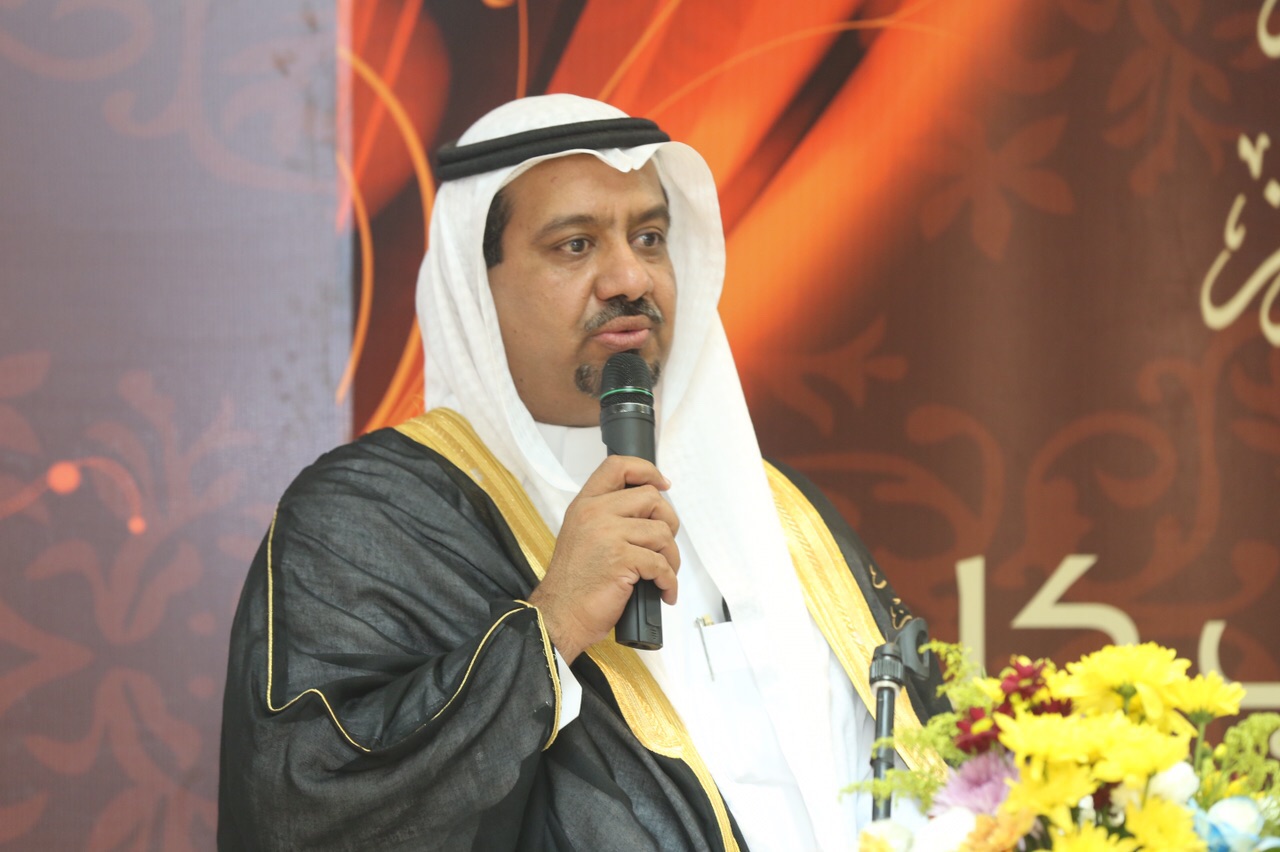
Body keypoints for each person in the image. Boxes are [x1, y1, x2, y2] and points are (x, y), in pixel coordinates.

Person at [218, 94, 944, 851]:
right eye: (575, 245)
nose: (629, 277)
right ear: (477, 286)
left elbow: (931, 763)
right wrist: (552, 624)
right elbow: (303, 807)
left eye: (650, 237)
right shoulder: (368, 519)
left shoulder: (781, 511)